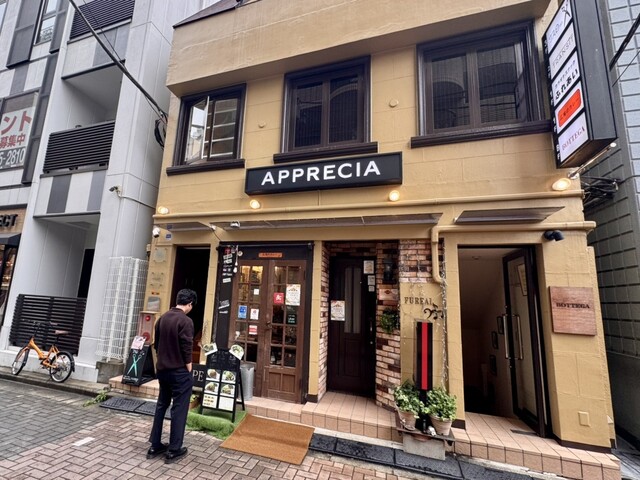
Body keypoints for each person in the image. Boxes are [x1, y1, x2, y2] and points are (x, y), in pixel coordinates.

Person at [147, 288, 196, 463]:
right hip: (179, 371)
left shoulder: (162, 318)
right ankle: (174, 449)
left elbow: (156, 345)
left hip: (163, 370)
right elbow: (186, 347)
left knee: (162, 405)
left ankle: (155, 445)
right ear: (189, 304)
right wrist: (189, 367)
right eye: (191, 305)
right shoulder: (186, 321)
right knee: (179, 408)